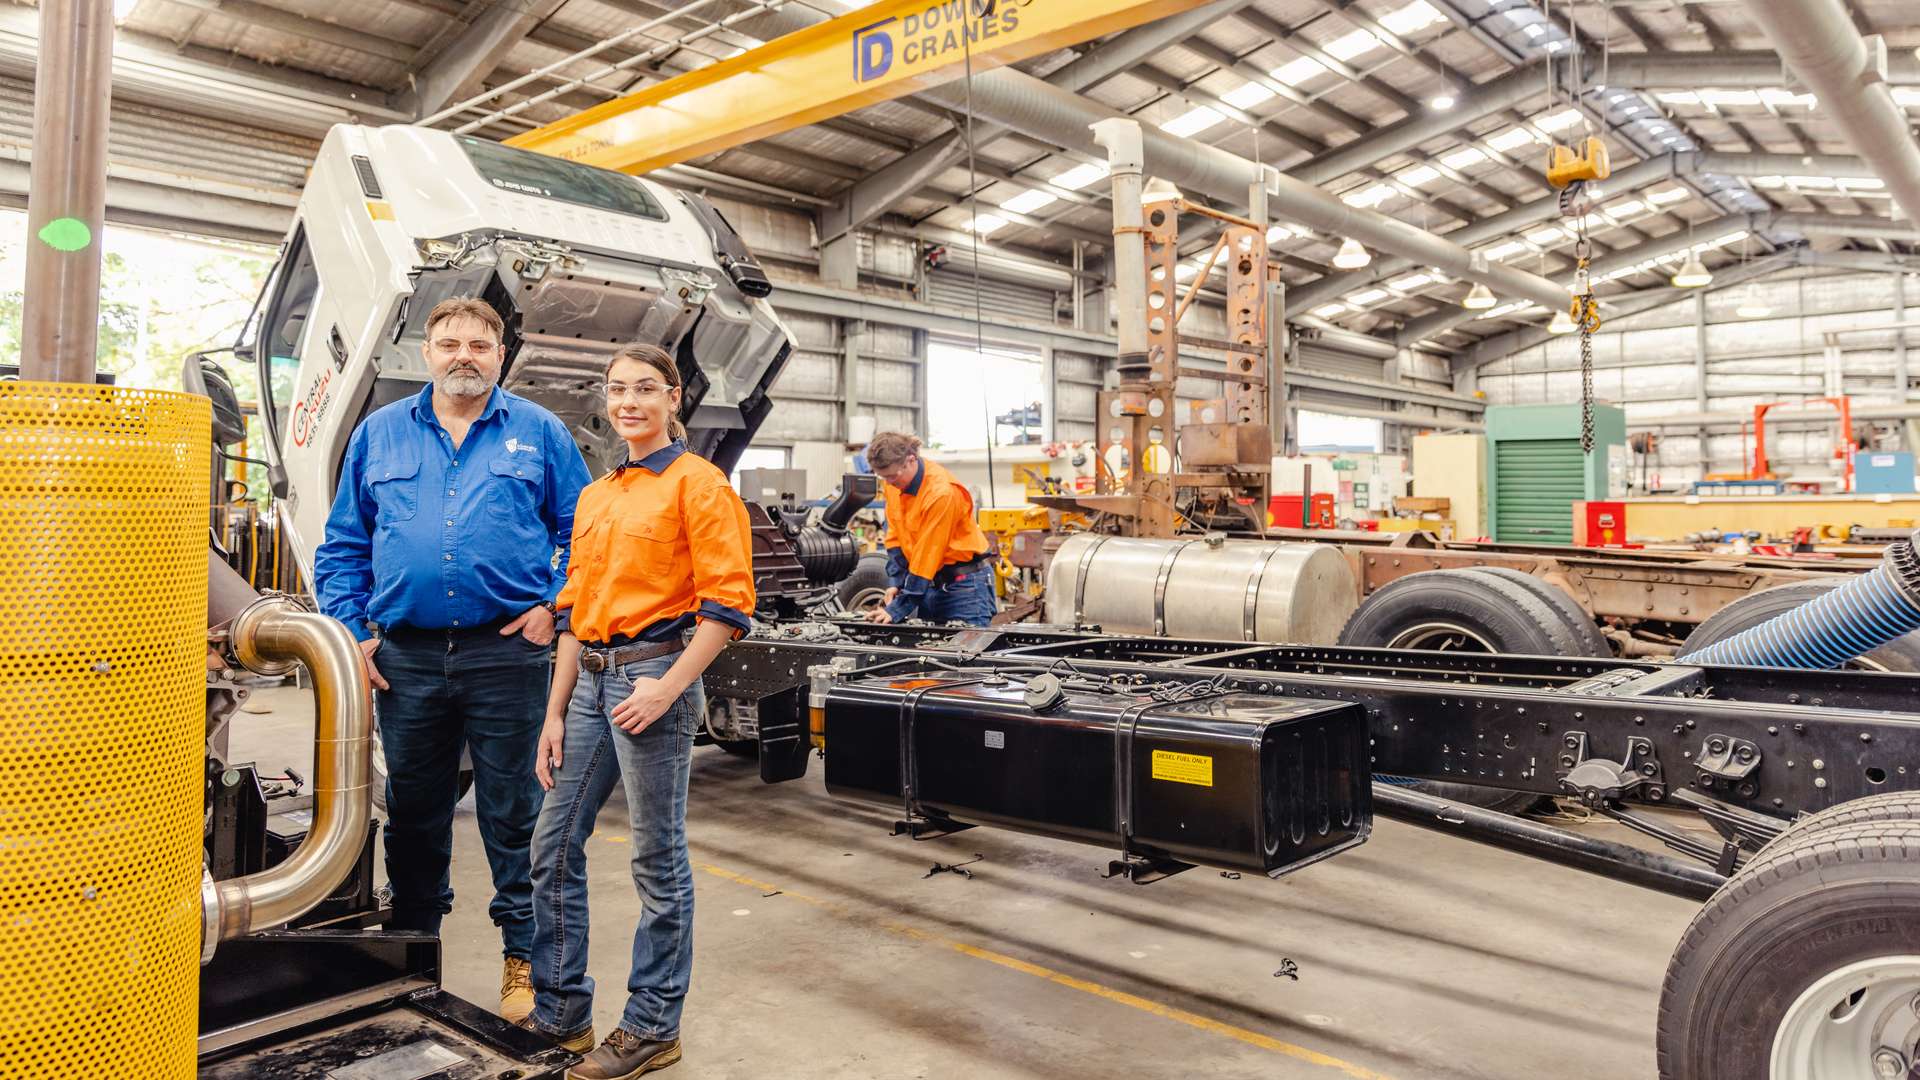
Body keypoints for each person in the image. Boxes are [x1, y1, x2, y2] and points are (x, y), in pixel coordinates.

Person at [313, 297, 592, 1024]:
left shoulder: (540, 433)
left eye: (478, 343)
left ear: (501, 355)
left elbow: (587, 534)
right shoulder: (379, 435)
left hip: (510, 656)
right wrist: (354, 631)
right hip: (404, 657)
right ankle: (414, 952)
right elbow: (342, 545)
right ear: (425, 352)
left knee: (516, 812)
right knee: (413, 812)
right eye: (448, 343)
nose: (463, 354)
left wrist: (554, 608)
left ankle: (521, 957)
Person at [522, 342, 755, 1078]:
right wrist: (555, 713)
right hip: (586, 682)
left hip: (653, 677)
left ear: (672, 398)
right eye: (618, 389)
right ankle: (561, 1015)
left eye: (645, 389)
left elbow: (726, 609)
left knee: (657, 858)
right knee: (550, 848)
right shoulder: (597, 493)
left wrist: (667, 686)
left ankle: (653, 1026)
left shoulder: (699, 485)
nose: (629, 402)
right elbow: (571, 612)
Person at [861, 431, 995, 626]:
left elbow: (928, 554)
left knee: (965, 654)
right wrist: (896, 584)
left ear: (911, 459)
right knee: (929, 652)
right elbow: (895, 537)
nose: (889, 483)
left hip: (964, 589)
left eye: (892, 476)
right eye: (883, 478)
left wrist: (898, 608)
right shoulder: (894, 485)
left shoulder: (941, 493)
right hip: (929, 587)